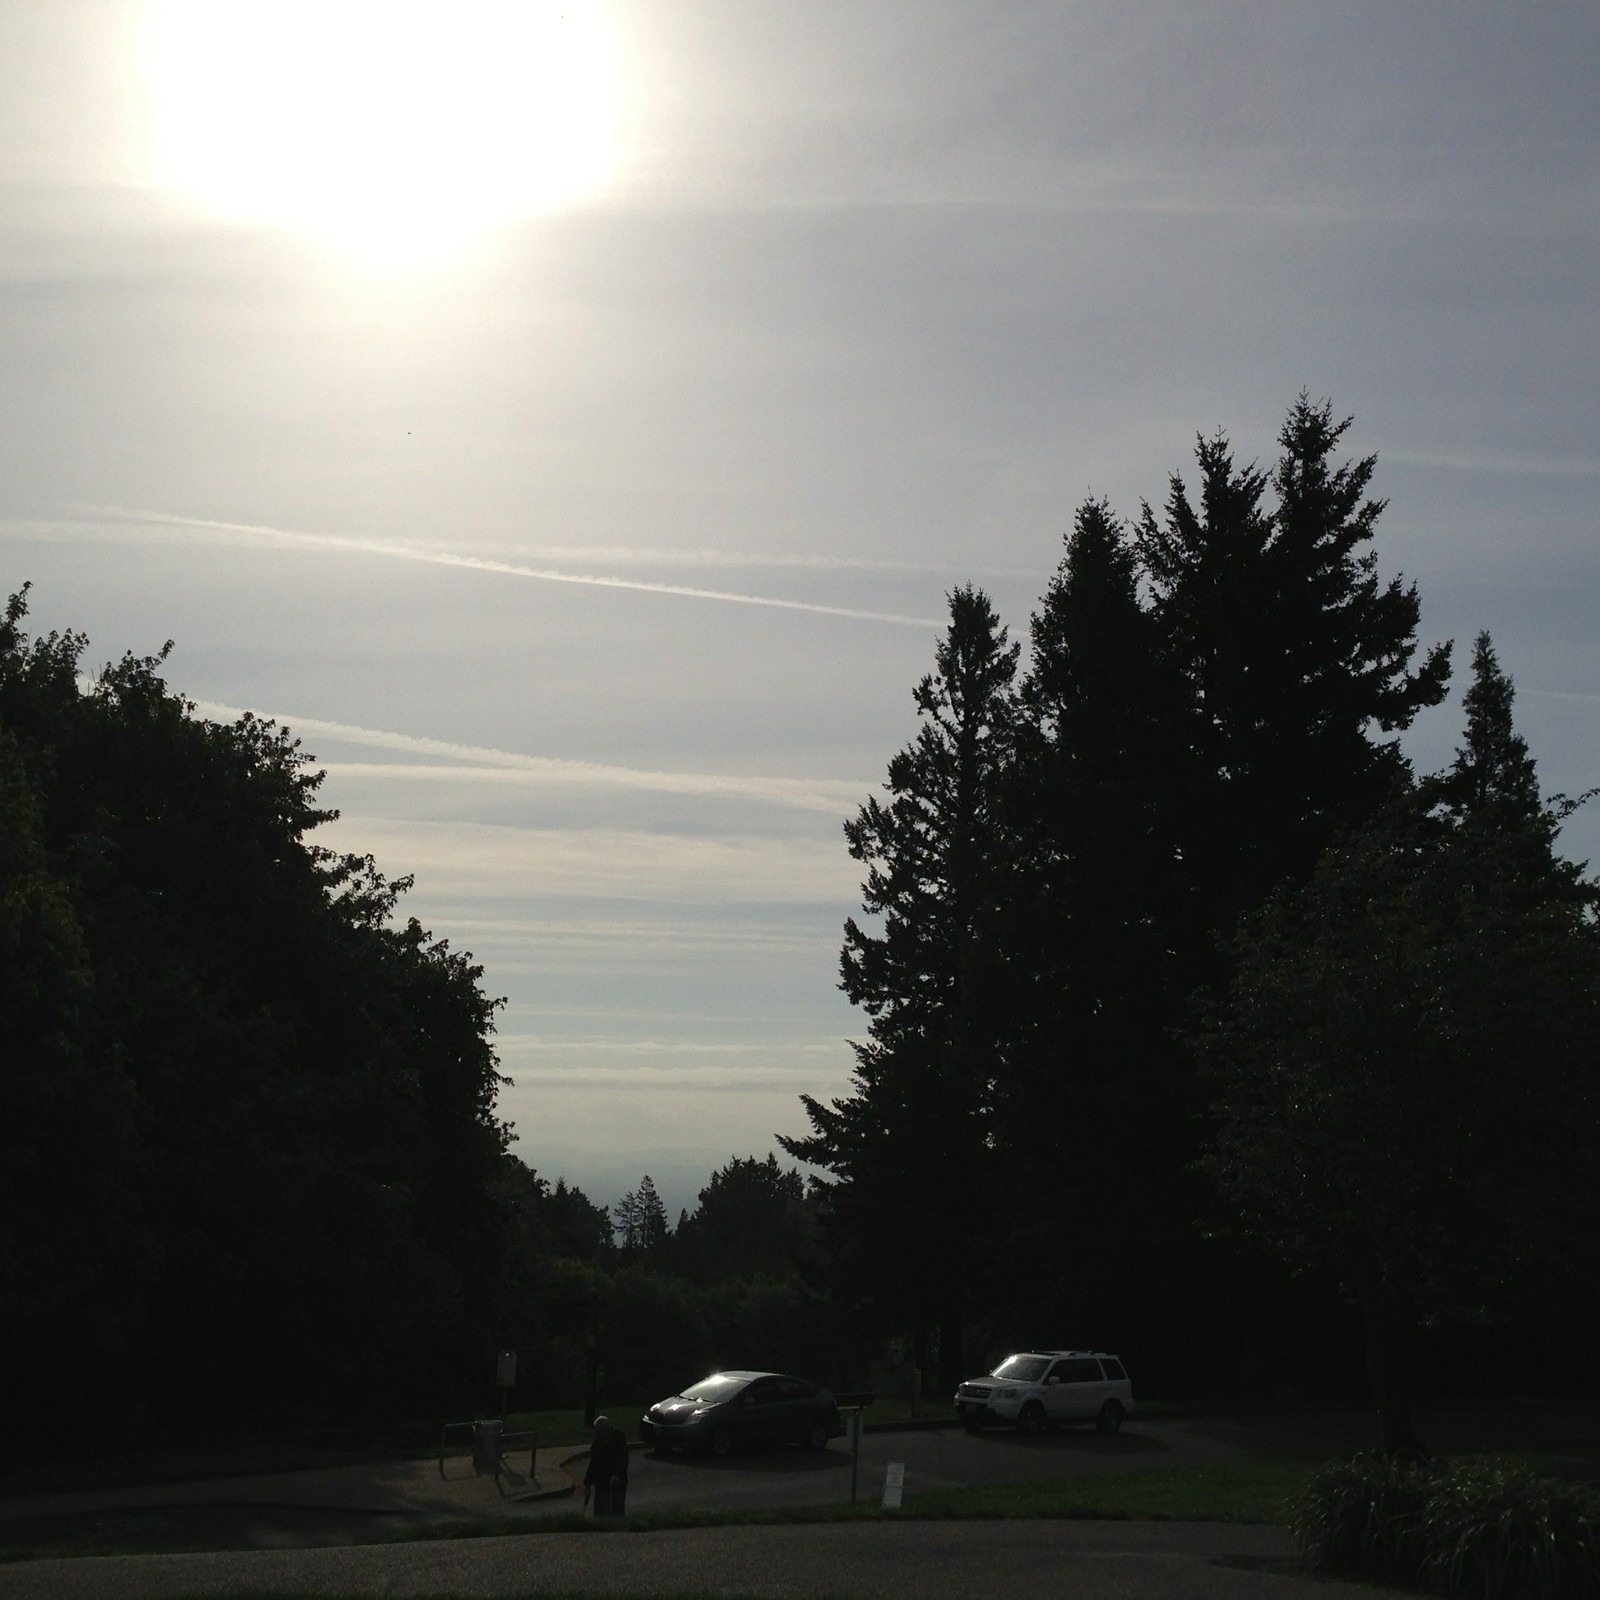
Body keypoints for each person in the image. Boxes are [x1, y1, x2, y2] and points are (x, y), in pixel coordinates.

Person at [584, 1415, 629, 1517]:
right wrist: (588, 1482)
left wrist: (616, 1474)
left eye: (600, 1433)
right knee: (600, 1509)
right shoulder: (597, 1441)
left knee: (616, 1508)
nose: (598, 1436)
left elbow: (621, 1459)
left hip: (616, 1481)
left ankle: (616, 1526)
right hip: (601, 1480)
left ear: (606, 1430)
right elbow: (594, 1462)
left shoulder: (619, 1437)